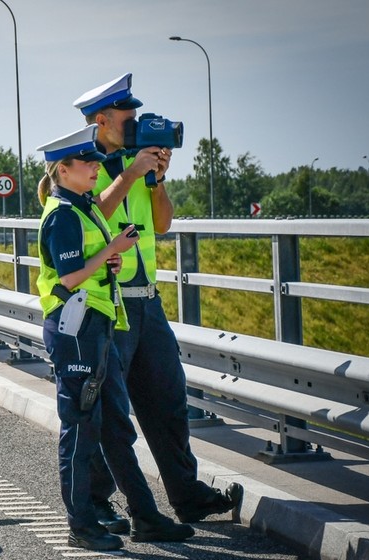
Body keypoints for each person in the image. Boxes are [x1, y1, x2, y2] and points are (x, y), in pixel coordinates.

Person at [72, 73, 244, 533]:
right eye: (130, 118)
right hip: (107, 305)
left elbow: (164, 224)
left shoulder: (137, 165)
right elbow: (91, 215)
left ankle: (186, 496)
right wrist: (129, 175)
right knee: (110, 412)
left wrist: (155, 181)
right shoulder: (79, 167)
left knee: (169, 402)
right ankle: (98, 502)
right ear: (102, 120)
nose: (138, 124)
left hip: (147, 303)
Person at [36, 124, 195, 551]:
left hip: (96, 323)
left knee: (114, 428)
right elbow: (69, 277)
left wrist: (106, 260)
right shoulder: (64, 214)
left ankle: (146, 517)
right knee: (81, 430)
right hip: (76, 331)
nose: (94, 168)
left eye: (94, 161)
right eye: (86, 163)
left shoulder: (82, 207)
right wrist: (111, 254)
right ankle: (81, 525)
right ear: (63, 170)